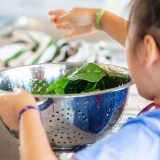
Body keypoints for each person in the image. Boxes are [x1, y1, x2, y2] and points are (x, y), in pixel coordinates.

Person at [0, 0, 160, 159]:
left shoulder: (144, 136)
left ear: (148, 51)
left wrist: (25, 113)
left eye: (128, 39)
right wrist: (100, 19)